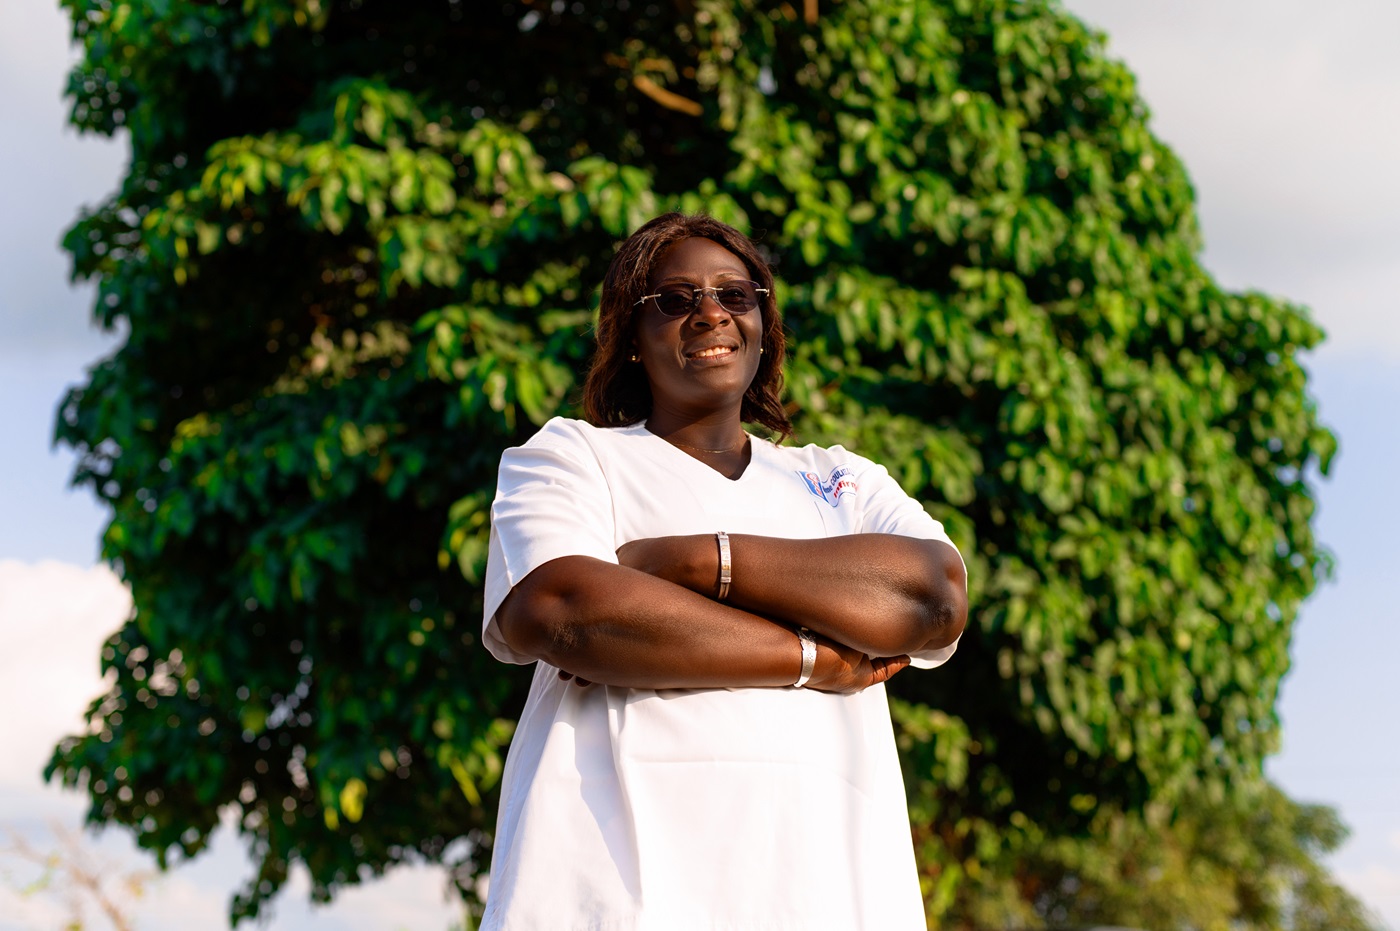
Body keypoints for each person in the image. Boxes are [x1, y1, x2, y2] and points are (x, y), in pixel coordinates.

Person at [479, 213, 968, 930]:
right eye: (674, 301)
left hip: (829, 896)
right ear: (632, 339)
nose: (711, 312)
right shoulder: (572, 457)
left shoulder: (842, 482)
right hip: (613, 897)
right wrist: (811, 657)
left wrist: (693, 561)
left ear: (762, 322)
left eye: (735, 296)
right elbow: (561, 609)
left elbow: (933, 597)